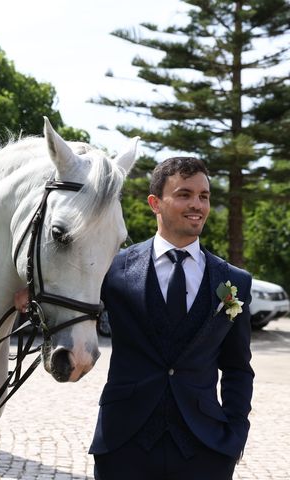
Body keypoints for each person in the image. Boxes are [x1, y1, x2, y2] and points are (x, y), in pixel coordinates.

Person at [89, 157, 254, 480]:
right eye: (184, 194)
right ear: (155, 203)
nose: (197, 205)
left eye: (204, 196)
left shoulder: (234, 281)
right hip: (124, 442)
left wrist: (234, 437)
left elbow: (237, 368)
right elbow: (63, 293)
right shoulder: (113, 269)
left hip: (205, 448)